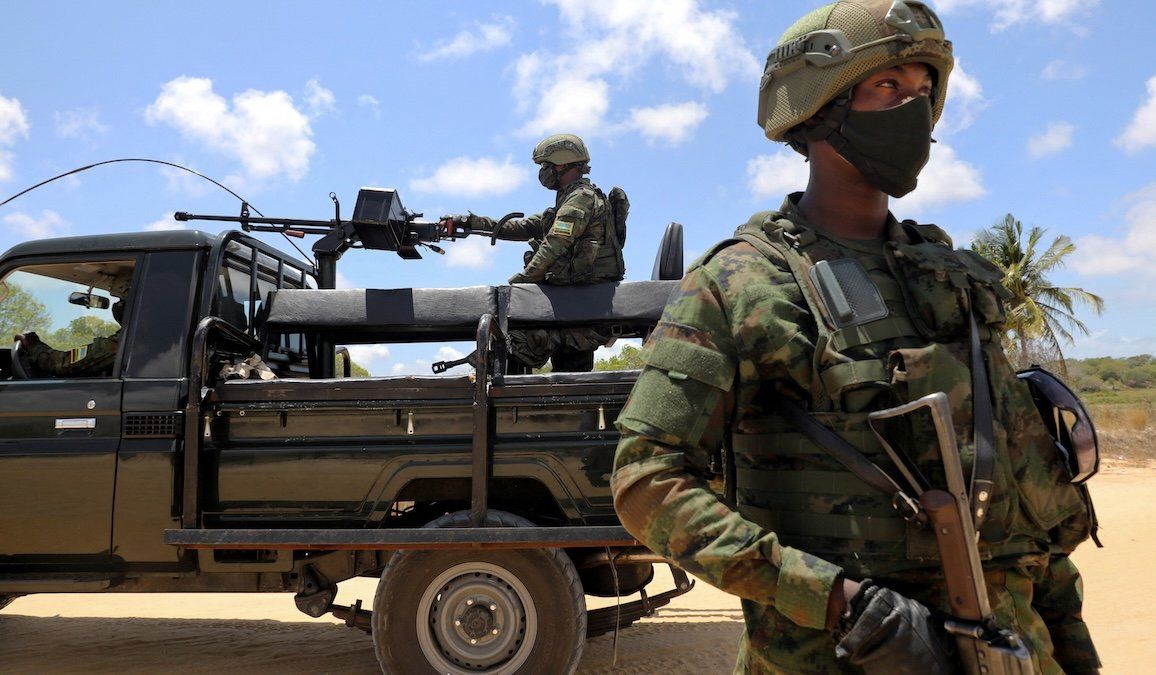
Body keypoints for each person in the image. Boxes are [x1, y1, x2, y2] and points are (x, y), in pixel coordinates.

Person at [611, 1, 1099, 673]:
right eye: (888, 87)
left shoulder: (955, 282)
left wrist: (1073, 648)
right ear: (819, 107)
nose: (914, 109)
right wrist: (838, 600)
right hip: (841, 655)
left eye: (924, 90)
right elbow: (646, 477)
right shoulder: (742, 281)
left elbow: (1024, 504)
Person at [441, 134, 627, 372]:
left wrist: (519, 286)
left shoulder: (580, 199)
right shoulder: (570, 199)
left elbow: (554, 245)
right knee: (562, 368)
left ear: (562, 164)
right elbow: (525, 226)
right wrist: (469, 223)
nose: (543, 172)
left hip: (581, 301)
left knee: (512, 344)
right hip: (576, 299)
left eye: (546, 166)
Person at [15, 270, 131, 377]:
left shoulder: (128, 343)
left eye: (121, 301)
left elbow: (64, 364)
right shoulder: (139, 339)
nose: (118, 306)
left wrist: (34, 346)